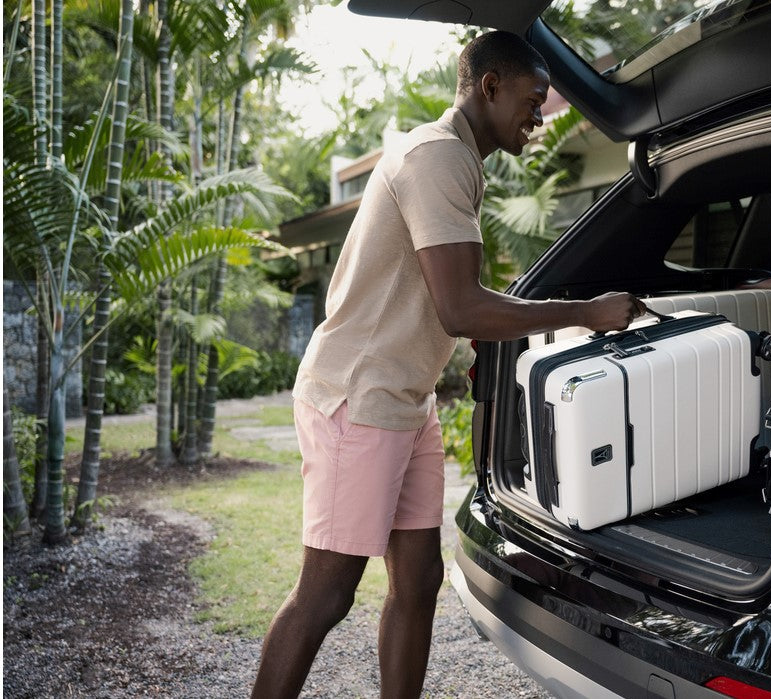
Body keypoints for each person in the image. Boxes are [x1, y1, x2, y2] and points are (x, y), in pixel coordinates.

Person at [251, 30, 644, 699]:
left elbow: (443, 297)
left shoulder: (456, 156)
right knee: (326, 593)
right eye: (531, 98)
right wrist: (586, 311)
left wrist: (472, 339)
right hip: (359, 397)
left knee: (419, 580)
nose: (536, 116)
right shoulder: (437, 158)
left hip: (406, 399)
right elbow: (461, 306)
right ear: (489, 86)